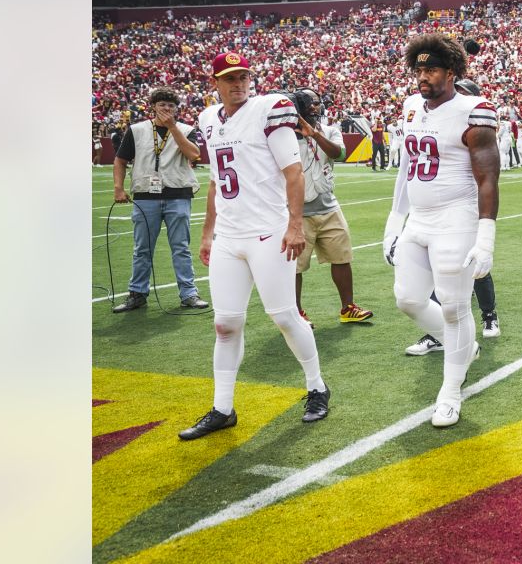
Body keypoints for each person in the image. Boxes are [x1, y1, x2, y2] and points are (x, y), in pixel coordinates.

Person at [180, 51, 330, 441]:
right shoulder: (209, 118)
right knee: (225, 324)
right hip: (230, 236)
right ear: (215, 83)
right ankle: (223, 407)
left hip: (268, 231)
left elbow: (293, 172)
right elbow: (215, 181)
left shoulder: (270, 108)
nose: (239, 83)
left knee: (284, 316)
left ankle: (317, 386)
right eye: (229, 78)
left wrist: (295, 225)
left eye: (244, 76)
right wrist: (207, 232)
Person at [384, 35, 500, 427]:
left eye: (431, 69)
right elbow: (405, 168)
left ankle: (450, 392)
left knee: (453, 308)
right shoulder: (412, 106)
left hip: (457, 216)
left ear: (452, 72)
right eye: (418, 69)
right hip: (418, 218)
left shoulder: (475, 110)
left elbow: (488, 179)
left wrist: (486, 238)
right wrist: (393, 223)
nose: (423, 77)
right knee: (407, 299)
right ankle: (464, 349)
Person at [405, 78, 502, 356]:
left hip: (463, 211)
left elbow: (486, 174)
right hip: (429, 215)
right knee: (433, 281)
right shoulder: (426, 114)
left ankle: (488, 314)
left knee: (475, 269)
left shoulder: (474, 120)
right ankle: (438, 334)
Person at [111, 88, 210, 313]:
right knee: (142, 249)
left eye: (171, 105)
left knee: (181, 248)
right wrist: (118, 188)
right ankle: (137, 293)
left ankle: (189, 293)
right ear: (153, 106)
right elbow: (120, 160)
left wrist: (173, 128)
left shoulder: (185, 129)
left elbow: (194, 155)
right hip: (146, 195)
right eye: (162, 104)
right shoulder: (137, 130)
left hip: (178, 194)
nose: (167, 109)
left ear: (177, 109)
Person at [290, 88, 374, 326]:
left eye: (318, 103)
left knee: (342, 257)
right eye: (311, 103)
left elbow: (339, 154)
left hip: (328, 205)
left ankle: (348, 308)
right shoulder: (285, 136)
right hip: (298, 210)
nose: (316, 107)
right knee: (294, 267)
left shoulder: (329, 130)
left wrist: (314, 134)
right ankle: (295, 313)